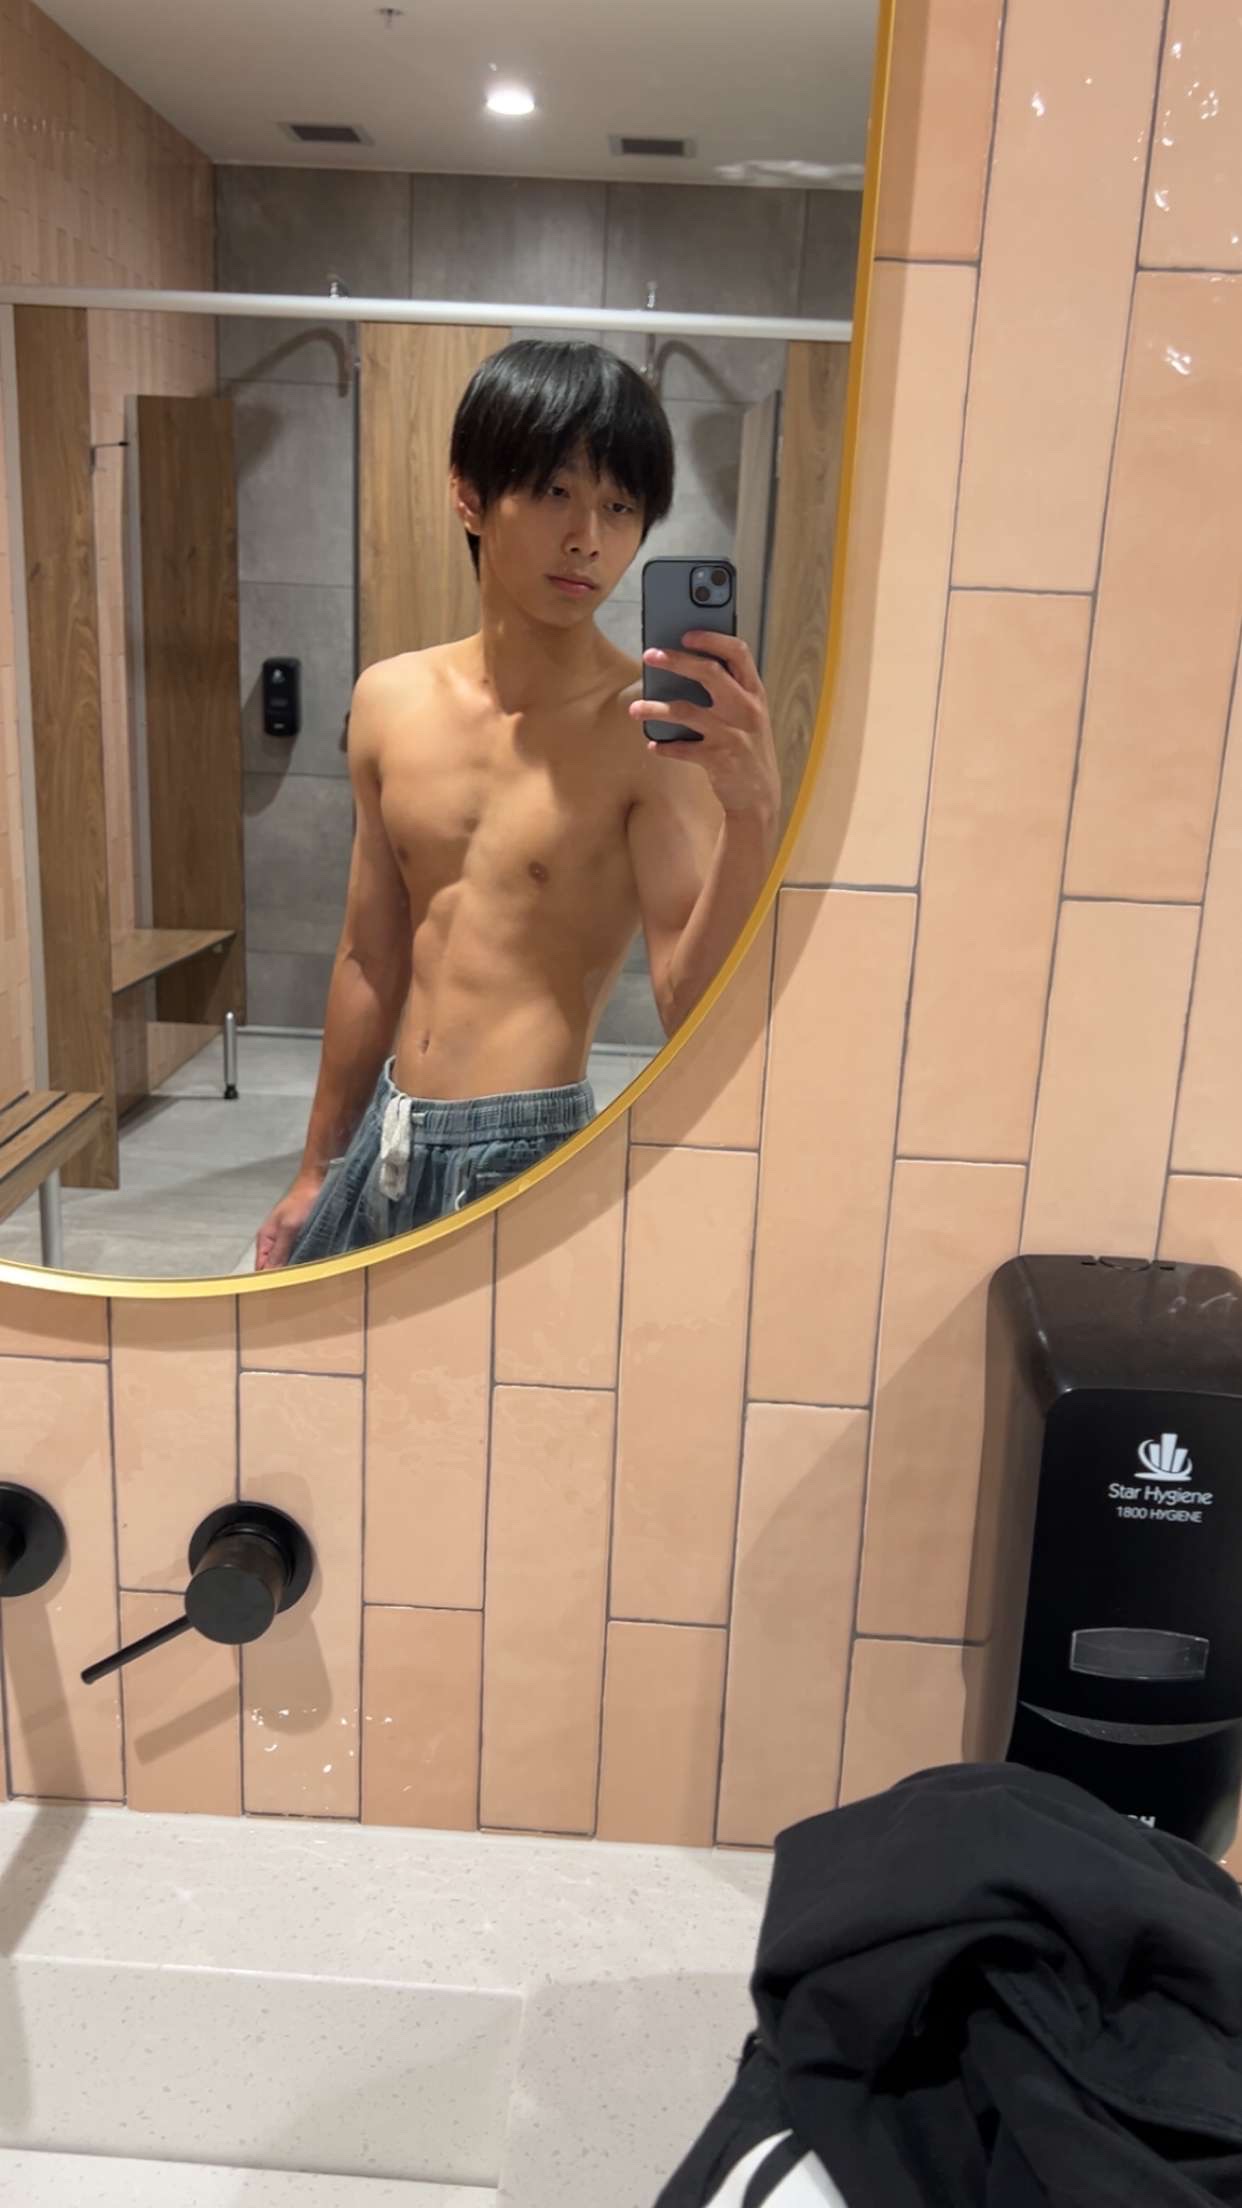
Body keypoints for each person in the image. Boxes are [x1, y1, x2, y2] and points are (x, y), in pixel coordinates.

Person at [255, 337, 781, 1271]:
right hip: (385, 1135)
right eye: (554, 492)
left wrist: (753, 815)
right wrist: (313, 1169)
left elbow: (689, 1005)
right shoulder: (388, 699)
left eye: (619, 506)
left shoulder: (646, 736)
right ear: (469, 495)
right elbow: (370, 956)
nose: (587, 538)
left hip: (524, 1154)